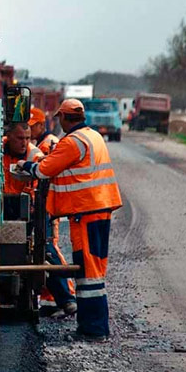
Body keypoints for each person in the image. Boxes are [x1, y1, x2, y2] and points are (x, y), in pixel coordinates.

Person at [20, 98, 122, 339]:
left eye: (60, 118)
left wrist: (25, 165)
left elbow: (44, 170)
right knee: (94, 269)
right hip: (99, 207)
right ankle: (94, 327)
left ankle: (93, 329)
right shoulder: (93, 136)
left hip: (86, 211)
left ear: (64, 118)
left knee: (88, 273)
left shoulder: (73, 142)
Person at [29, 106, 77, 314]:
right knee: (42, 250)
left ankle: (68, 296)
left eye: (32, 127)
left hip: (47, 204)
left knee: (49, 249)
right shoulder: (38, 144)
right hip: (41, 203)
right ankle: (51, 299)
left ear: (41, 125)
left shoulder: (49, 145)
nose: (28, 131)